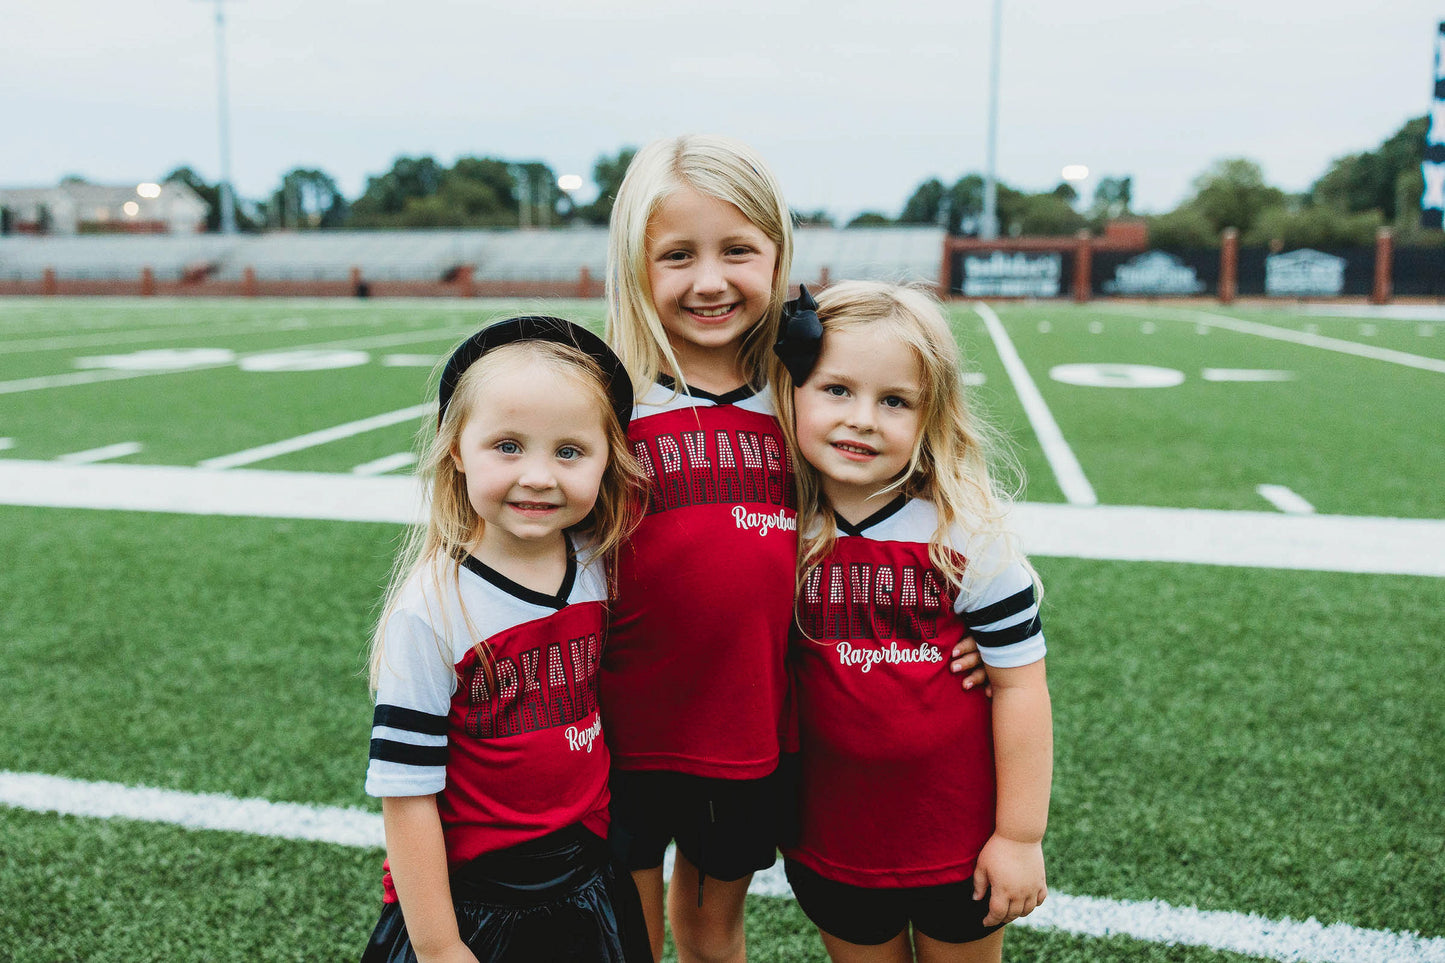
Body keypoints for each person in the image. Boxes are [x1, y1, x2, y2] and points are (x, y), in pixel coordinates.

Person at [599, 135, 991, 963]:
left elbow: (913, 518)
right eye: (677, 255)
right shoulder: (605, 403)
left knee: (711, 936)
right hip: (612, 737)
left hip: (743, 738)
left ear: (778, 252)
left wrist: (976, 634)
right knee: (622, 943)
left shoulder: (802, 402)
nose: (709, 279)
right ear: (634, 264)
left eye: (736, 250)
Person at [774, 281, 1052, 963]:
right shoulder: (772, 528)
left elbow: (1021, 687)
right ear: (790, 391)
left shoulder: (965, 534)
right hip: (830, 839)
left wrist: (1018, 837)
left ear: (932, 416)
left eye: (894, 400)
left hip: (956, 839)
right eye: (836, 389)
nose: (862, 418)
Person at [361, 316, 653, 963]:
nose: (539, 476)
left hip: (584, 873)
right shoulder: (432, 609)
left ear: (608, 459)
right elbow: (406, 793)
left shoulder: (598, 564)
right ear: (456, 447)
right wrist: (438, 944)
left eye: (569, 451)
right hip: (477, 895)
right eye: (508, 446)